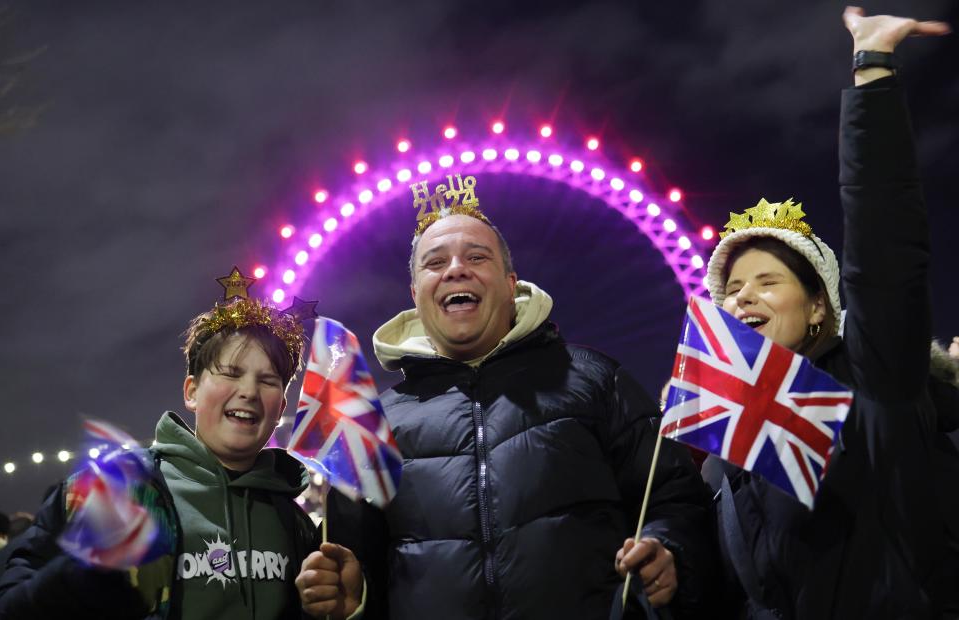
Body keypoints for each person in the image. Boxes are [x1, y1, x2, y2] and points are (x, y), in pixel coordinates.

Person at [617, 8, 958, 618]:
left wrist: (873, 73)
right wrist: (673, 579)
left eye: (768, 281)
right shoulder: (724, 448)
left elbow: (886, 263)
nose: (742, 297)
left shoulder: (878, 393)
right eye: (733, 289)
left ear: (821, 304)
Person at [296, 190, 716, 619]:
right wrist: (354, 598)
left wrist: (669, 551)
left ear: (511, 284)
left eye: (476, 257)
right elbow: (357, 565)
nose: (456, 269)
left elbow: (675, 500)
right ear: (415, 294)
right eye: (435, 263)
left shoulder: (597, 380)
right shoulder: (374, 424)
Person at [0, 270, 334, 619]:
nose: (249, 392)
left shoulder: (296, 525)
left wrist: (346, 605)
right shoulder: (107, 491)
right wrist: (73, 582)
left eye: (267, 381)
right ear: (191, 392)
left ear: (280, 408)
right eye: (231, 373)